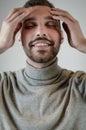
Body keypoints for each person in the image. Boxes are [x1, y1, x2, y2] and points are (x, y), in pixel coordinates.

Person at [0, 0, 86, 130]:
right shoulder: (3, 85)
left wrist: (82, 43)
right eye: (29, 26)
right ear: (18, 37)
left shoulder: (80, 85)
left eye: (51, 25)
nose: (40, 32)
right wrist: (0, 44)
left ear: (62, 36)